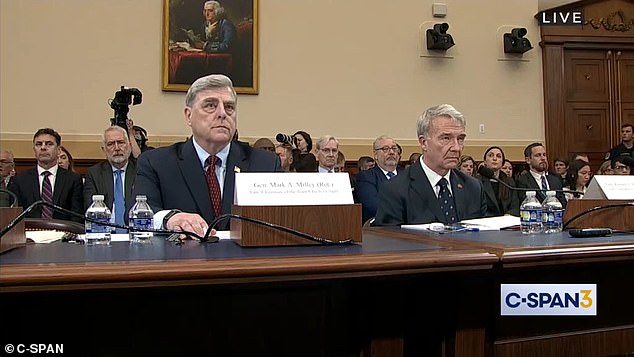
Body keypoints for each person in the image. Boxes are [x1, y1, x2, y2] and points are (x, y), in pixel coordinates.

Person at [133, 74, 281, 236]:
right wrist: (170, 218)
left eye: (229, 107)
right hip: (182, 257)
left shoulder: (265, 164)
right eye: (210, 106)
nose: (222, 114)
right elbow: (139, 212)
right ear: (189, 116)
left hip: (246, 259)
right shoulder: (156, 163)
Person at [374, 104, 486, 226]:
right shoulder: (395, 189)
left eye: (460, 139)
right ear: (424, 143)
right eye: (446, 138)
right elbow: (389, 242)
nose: (456, 147)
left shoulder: (473, 187)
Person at [8, 128, 83, 221]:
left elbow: (76, 215)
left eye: (49, 144)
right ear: (34, 149)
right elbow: (15, 216)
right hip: (29, 232)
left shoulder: (73, 179)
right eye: (38, 144)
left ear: (59, 150)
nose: (43, 147)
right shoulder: (20, 180)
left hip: (63, 232)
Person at [83, 126, 137, 231]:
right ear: (104, 149)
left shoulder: (140, 171)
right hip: (104, 233)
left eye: (121, 142)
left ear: (129, 146)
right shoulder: (94, 173)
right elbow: (90, 209)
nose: (117, 148)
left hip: (135, 233)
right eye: (111, 144)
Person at [355, 135, 401, 223]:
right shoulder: (366, 177)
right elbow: (374, 207)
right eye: (385, 149)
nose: (391, 152)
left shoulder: (408, 175)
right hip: (381, 227)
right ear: (376, 155)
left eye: (394, 148)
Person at [478, 146, 519, 216]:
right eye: (490, 155)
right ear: (484, 161)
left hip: (506, 222)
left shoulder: (509, 182)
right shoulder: (477, 181)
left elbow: (515, 206)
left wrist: (509, 215)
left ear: (502, 162)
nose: (494, 158)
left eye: (499, 156)